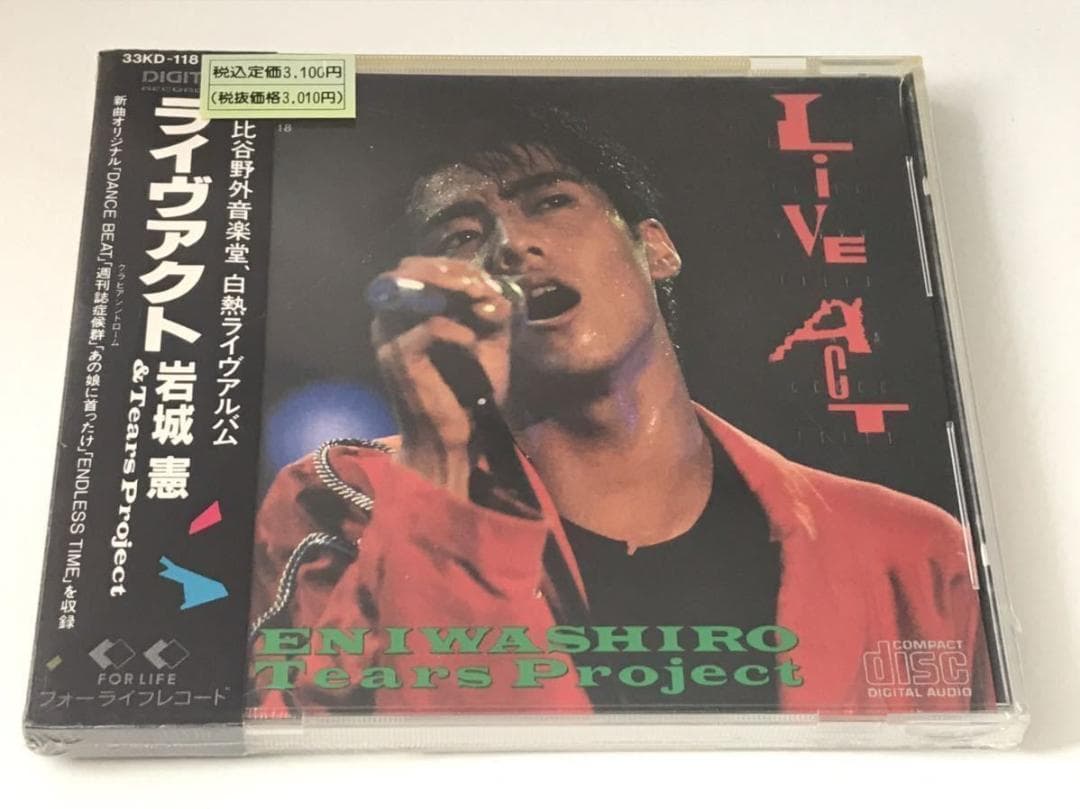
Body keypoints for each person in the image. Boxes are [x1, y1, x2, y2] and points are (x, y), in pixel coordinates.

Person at [248, 107, 994, 718]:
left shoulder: (914, 552)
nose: (513, 246)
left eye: (549, 202)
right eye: (463, 237)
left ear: (655, 249)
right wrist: (444, 469)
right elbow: (334, 759)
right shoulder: (345, 500)